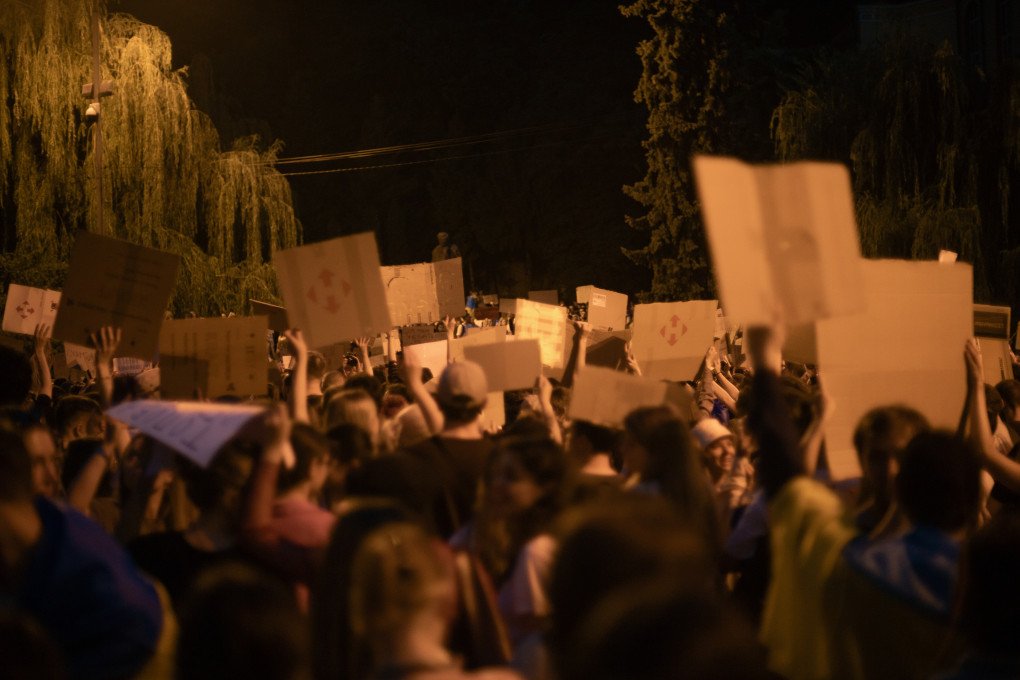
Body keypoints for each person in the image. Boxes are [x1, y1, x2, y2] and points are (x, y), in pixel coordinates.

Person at [0, 426, 166, 679]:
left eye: (53, 461)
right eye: (38, 462)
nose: (51, 474)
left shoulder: (114, 608)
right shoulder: (52, 521)